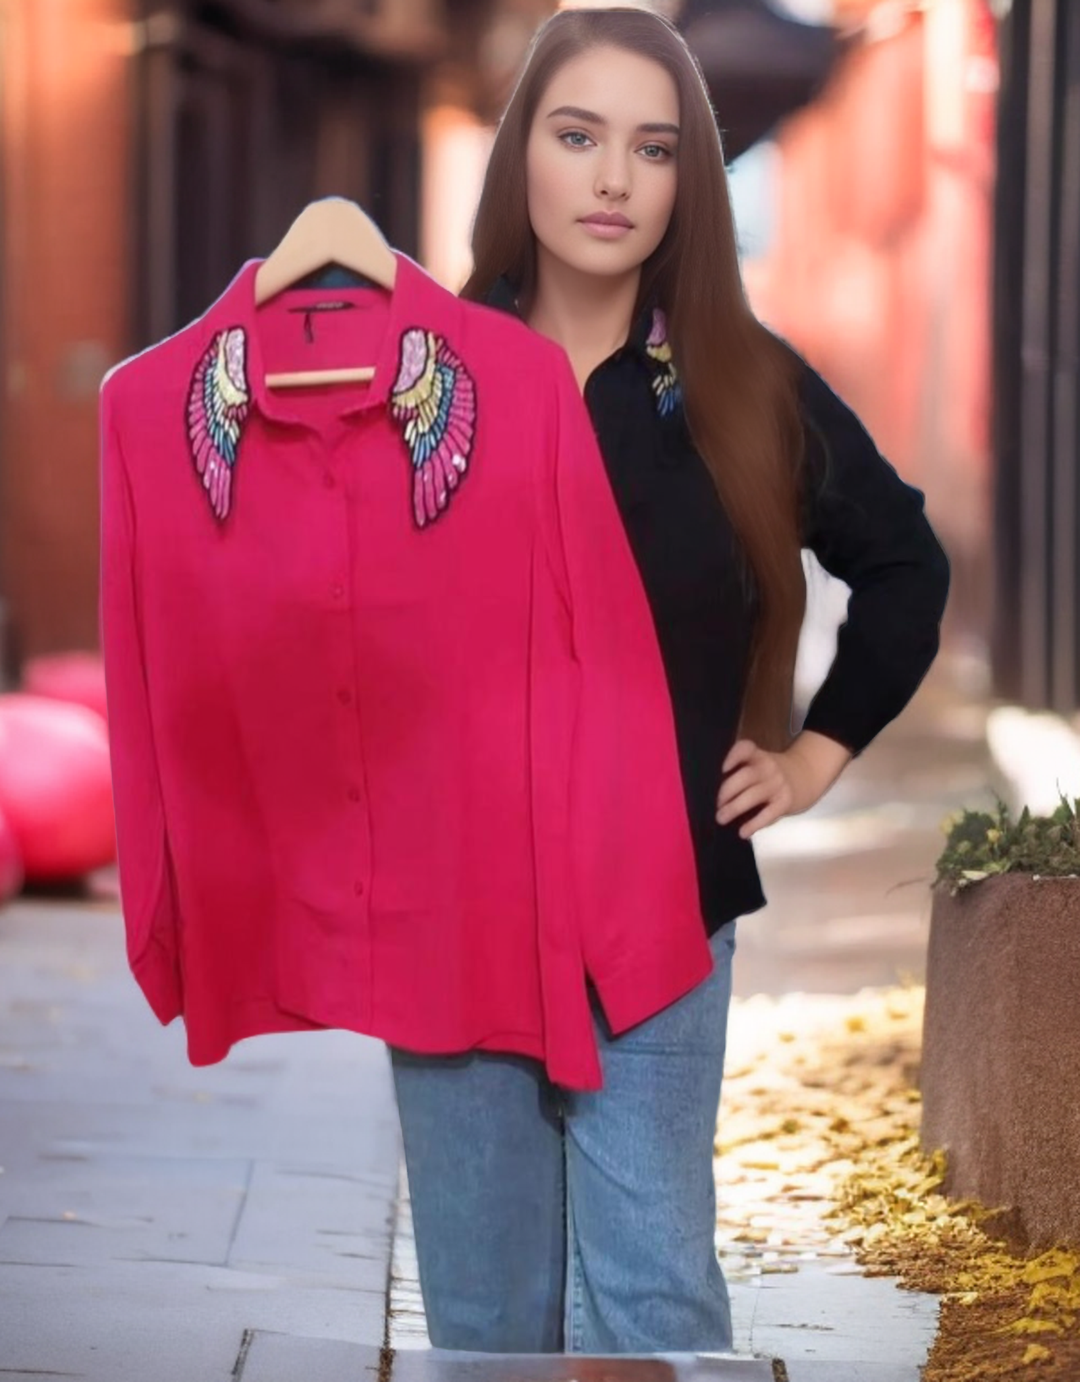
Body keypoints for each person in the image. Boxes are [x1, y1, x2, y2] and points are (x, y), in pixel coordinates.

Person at [389, 4, 950, 1357]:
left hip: (663, 905)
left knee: (648, 1306)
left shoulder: (742, 384)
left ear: (687, 184)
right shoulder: (425, 377)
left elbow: (905, 563)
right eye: (578, 137)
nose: (611, 179)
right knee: (486, 1319)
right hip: (458, 904)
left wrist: (817, 752)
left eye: (653, 149)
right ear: (522, 154)